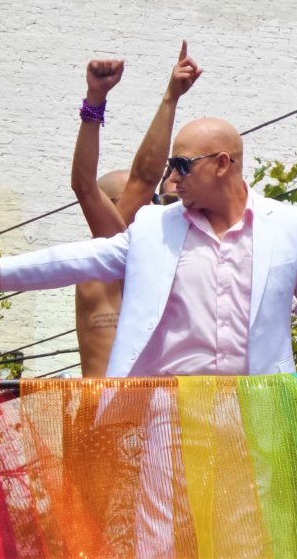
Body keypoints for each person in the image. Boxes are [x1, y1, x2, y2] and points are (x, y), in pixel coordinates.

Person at [0, 118, 297, 376]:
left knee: (251, 527)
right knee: (165, 527)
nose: (173, 180)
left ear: (222, 164)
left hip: (260, 414)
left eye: (182, 165)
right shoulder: (153, 227)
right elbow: (79, 258)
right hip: (171, 416)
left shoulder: (293, 226)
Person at [71, 43, 202, 377]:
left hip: (149, 412)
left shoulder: (154, 255)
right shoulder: (103, 254)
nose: (154, 206)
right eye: (144, 202)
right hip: (107, 417)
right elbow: (98, 184)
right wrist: (95, 101)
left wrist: (172, 96)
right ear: (113, 210)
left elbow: (146, 179)